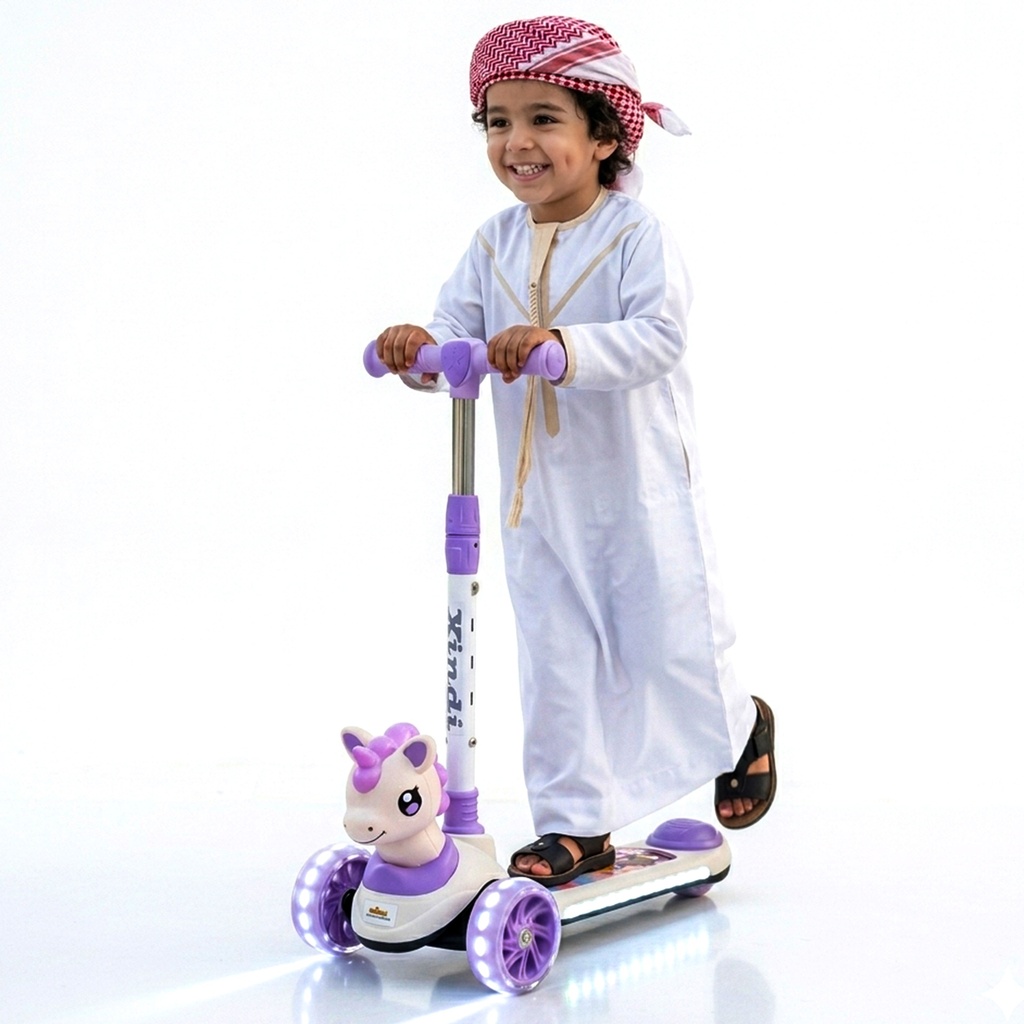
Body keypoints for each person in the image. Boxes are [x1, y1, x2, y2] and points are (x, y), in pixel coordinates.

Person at [375, 16, 776, 886]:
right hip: (535, 498)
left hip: (636, 488)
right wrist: (417, 350)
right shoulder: (492, 242)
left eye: (543, 119)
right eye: (498, 122)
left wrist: (562, 347)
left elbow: (659, 336)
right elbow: (454, 338)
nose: (516, 142)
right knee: (555, 662)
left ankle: (739, 724)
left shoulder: (636, 236)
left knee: (663, 642)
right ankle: (574, 822)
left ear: (603, 137)